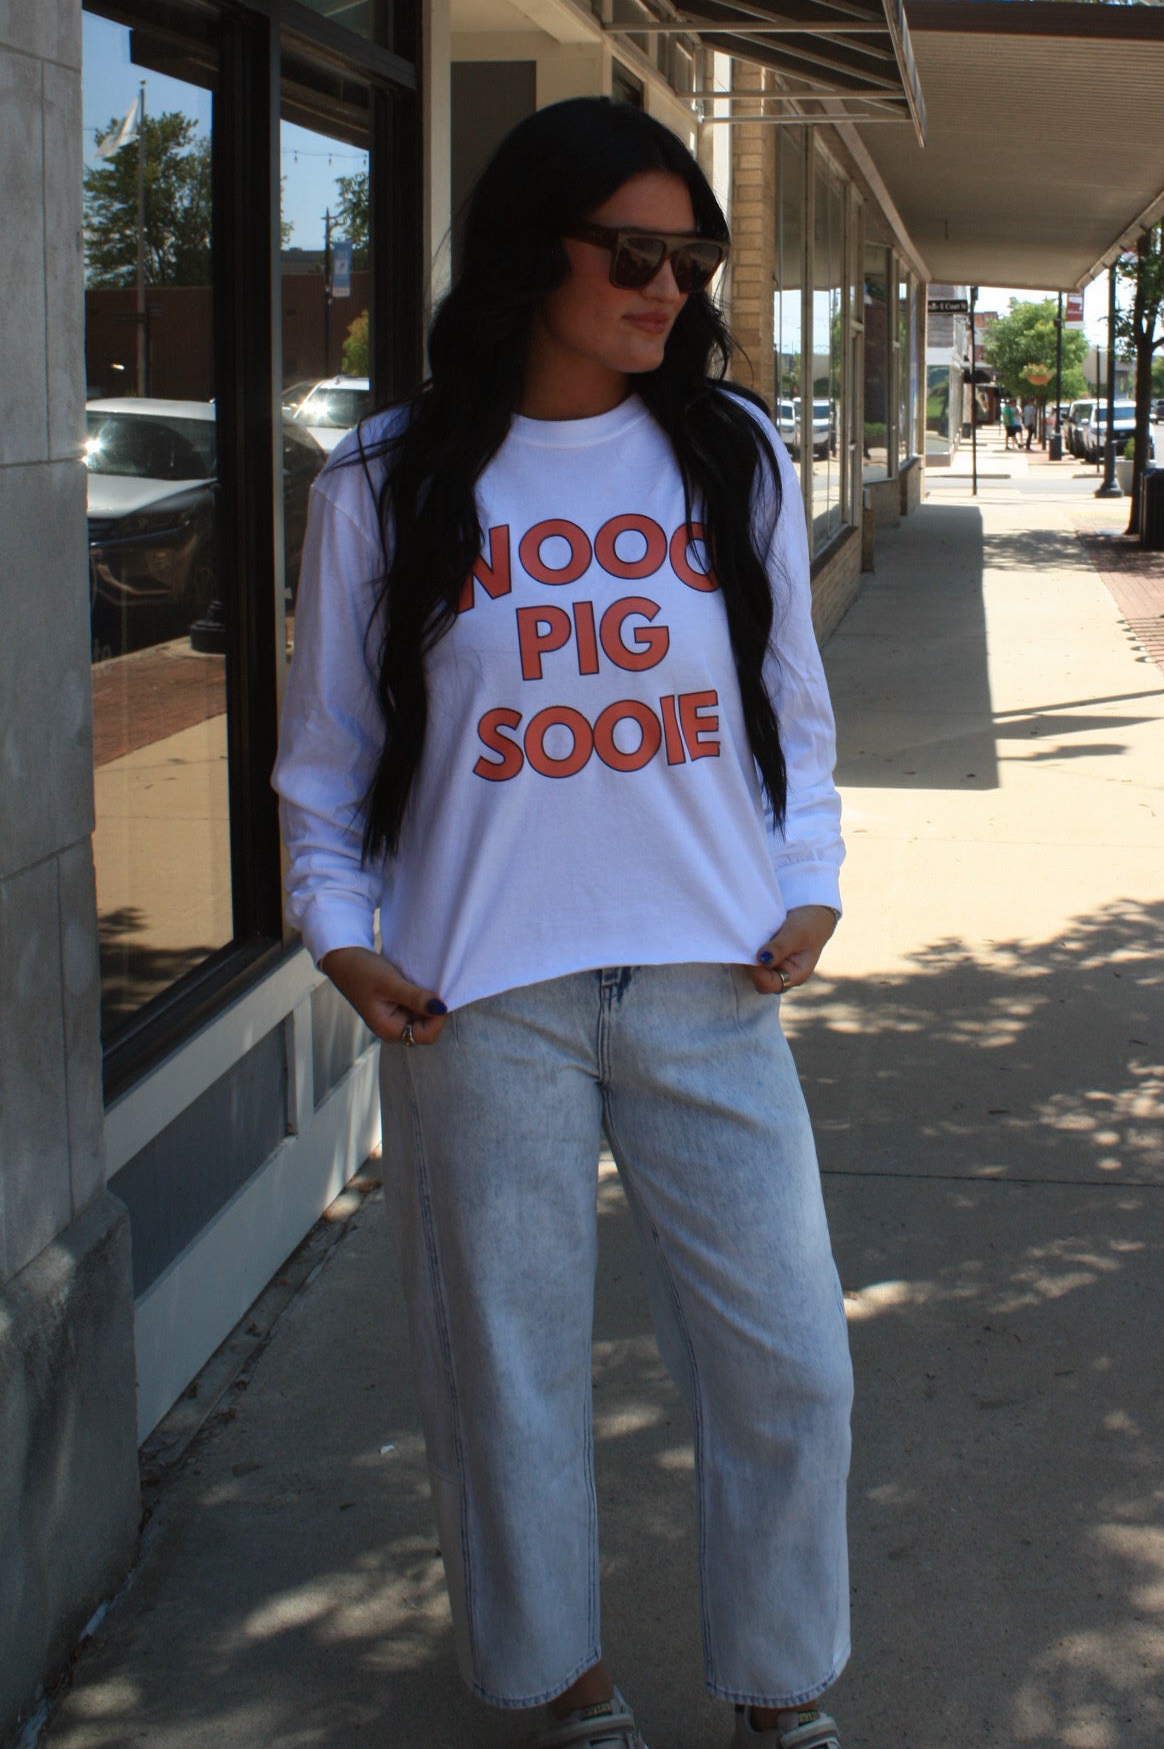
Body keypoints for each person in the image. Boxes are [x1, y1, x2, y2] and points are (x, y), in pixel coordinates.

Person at [274, 99, 852, 1749]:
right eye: (634, 255)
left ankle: (784, 1693)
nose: (669, 290)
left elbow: (791, 709)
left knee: (791, 1362)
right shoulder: (388, 480)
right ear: (537, 253)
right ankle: (564, 1690)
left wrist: (810, 873)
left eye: (693, 262)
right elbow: (327, 753)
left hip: (709, 976)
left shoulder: (729, 453)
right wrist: (336, 928)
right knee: (507, 1378)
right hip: (477, 997)